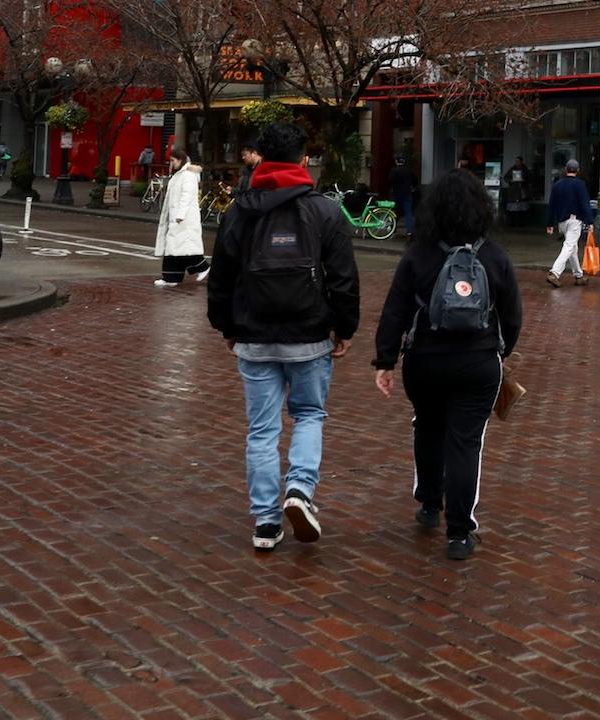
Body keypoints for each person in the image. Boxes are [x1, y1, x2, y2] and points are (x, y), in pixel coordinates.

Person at [203, 122, 360, 551]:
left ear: (260, 158)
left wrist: (226, 327)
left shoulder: (239, 211)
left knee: (261, 430)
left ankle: (267, 521)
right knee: (309, 414)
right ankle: (300, 490)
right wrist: (344, 328)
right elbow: (344, 278)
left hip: (253, 334)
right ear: (303, 160)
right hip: (309, 333)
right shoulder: (324, 211)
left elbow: (221, 278)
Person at [371, 170, 523, 561]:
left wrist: (385, 359)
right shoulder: (494, 256)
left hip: (425, 361)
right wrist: (499, 353)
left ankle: (428, 502)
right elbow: (513, 317)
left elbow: (395, 310)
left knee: (428, 425)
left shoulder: (418, 254)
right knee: (465, 442)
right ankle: (459, 532)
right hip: (478, 363)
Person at [153, 150, 207, 288]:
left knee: (183, 248)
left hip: (184, 219)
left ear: (180, 160)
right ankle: (171, 277)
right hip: (177, 218)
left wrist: (180, 215)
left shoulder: (187, 176)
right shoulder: (179, 175)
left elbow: (186, 196)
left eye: (173, 160)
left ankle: (202, 267)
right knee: (174, 248)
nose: (171, 163)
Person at [543, 161, 593, 287]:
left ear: (566, 169)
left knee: (573, 248)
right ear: (578, 170)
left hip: (562, 221)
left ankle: (578, 275)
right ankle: (555, 272)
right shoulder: (580, 185)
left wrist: (549, 223)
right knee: (569, 246)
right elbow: (585, 204)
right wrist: (590, 221)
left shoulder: (557, 185)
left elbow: (551, 205)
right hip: (574, 220)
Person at [390, 156, 415, 224]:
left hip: (396, 193)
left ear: (396, 162)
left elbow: (391, 181)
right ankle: (410, 231)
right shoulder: (409, 170)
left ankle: (393, 229)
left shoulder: (394, 170)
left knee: (395, 212)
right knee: (408, 212)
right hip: (407, 193)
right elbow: (414, 180)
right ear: (404, 162)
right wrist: (413, 188)